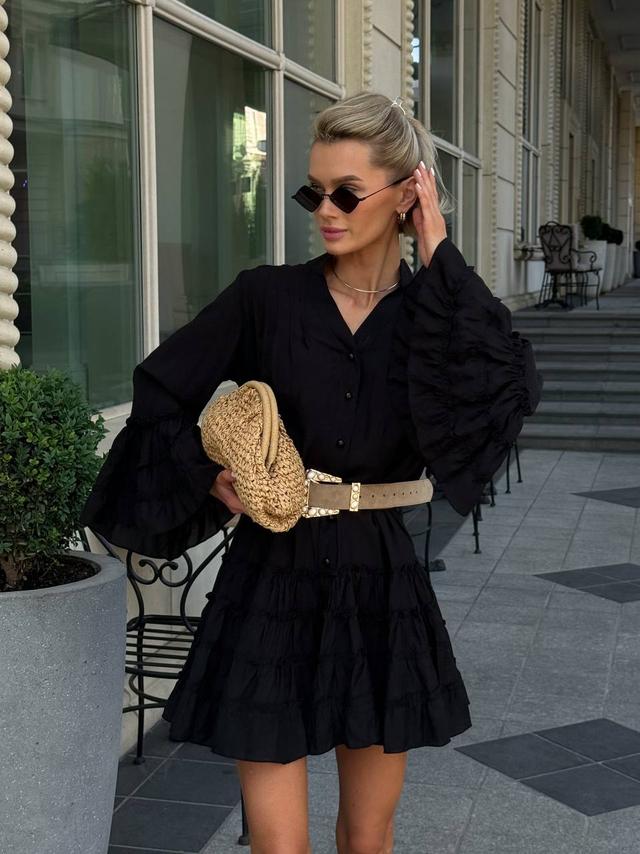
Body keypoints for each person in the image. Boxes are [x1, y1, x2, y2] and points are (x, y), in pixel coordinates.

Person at [79, 91, 543, 854]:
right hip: (271, 576)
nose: (325, 210)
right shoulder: (266, 298)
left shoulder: (433, 313)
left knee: (368, 837)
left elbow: (509, 385)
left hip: (381, 580)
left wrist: (439, 249)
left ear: (407, 194)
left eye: (347, 193)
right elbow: (161, 388)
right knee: (278, 845)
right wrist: (205, 471)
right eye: (313, 192)